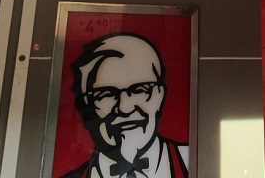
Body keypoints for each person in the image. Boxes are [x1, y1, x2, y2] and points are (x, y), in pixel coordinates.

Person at [60, 33, 189, 178]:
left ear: (160, 95)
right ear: (84, 107)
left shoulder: (195, 161)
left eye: (140, 90)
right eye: (105, 94)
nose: (124, 108)